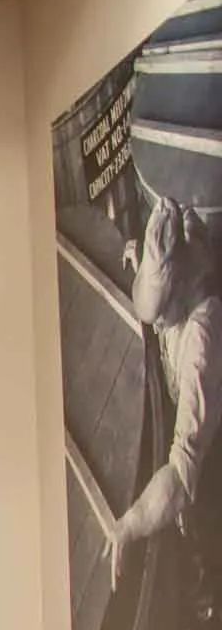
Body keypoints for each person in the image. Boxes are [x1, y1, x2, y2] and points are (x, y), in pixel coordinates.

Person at [108, 195, 222, 590]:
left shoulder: (201, 343)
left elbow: (179, 472)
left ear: (179, 294)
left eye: (161, 315)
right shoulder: (179, 254)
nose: (156, 325)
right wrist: (140, 264)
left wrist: (131, 524)